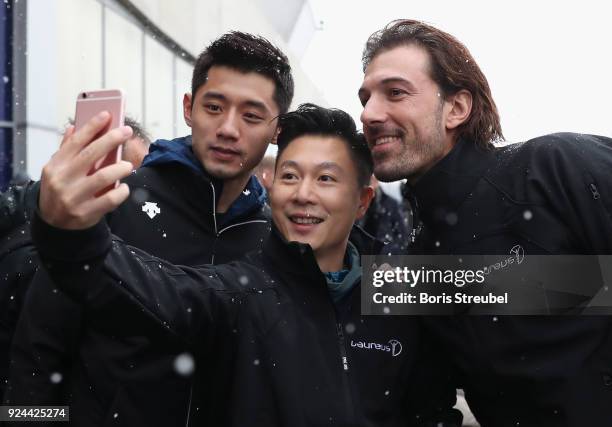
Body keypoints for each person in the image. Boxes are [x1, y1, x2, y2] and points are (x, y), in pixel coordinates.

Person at [30, 103, 461, 427]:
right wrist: (69, 229)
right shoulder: (238, 293)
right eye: (290, 176)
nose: (303, 194)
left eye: (326, 178)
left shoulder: (400, 287)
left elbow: (515, 296)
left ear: (362, 201)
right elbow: (123, 283)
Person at [6, 32, 294, 426]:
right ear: (189, 108)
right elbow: (37, 347)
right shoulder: (115, 198)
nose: (228, 128)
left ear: (278, 130)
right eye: (214, 106)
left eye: (252, 115)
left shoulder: (271, 236)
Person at [358, 19, 612, 427]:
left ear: (457, 108)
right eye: (365, 97)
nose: (368, 114)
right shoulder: (411, 265)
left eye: (395, 93)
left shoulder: (557, 166)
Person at [356, 176, 411, 254]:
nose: (371, 179)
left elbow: (403, 237)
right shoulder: (356, 202)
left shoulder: (391, 204)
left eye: (373, 176)